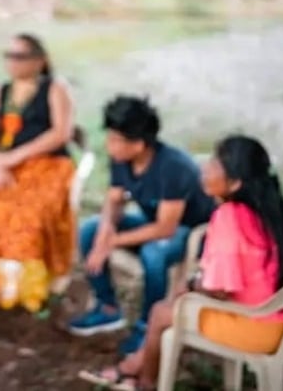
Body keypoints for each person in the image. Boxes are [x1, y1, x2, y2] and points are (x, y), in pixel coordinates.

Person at [79, 135, 283, 390]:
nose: (205, 168)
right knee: (175, 303)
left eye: (215, 165)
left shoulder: (229, 217)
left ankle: (144, 382)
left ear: (235, 183)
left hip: (256, 329)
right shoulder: (270, 208)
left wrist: (192, 285)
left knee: (162, 313)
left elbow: (219, 289)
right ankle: (134, 368)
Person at [69, 96, 215, 355]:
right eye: (110, 136)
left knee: (154, 253)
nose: (109, 145)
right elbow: (114, 202)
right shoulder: (121, 159)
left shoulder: (174, 167)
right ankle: (108, 308)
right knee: (89, 230)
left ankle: (148, 326)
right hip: (155, 223)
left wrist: (111, 243)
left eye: (115, 139)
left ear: (138, 144)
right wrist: (103, 236)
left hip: (190, 232)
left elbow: (165, 229)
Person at [0, 34, 76, 313]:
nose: (12, 62)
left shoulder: (55, 88)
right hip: (7, 165)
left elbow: (61, 133)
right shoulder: (1, 90)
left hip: (49, 165)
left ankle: (26, 289)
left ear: (39, 60)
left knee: (29, 213)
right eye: (9, 55)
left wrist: (13, 158)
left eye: (20, 56)